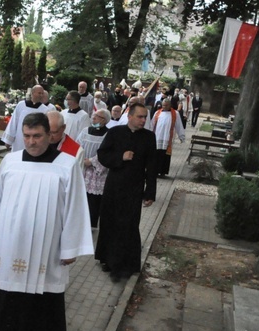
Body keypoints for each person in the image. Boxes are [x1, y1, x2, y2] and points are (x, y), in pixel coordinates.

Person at [0, 113, 93, 331]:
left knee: (42, 295)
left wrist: (70, 246)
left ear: (50, 136)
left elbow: (75, 208)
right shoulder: (10, 162)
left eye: (37, 136)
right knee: (4, 298)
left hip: (45, 249)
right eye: (26, 136)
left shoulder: (67, 165)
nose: (31, 142)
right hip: (9, 247)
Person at [95, 103, 157, 283]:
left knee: (128, 225)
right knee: (109, 221)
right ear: (129, 116)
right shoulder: (115, 133)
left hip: (134, 188)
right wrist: (120, 158)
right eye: (140, 116)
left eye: (145, 117)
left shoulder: (148, 137)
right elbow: (102, 155)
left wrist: (150, 193)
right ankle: (107, 258)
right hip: (114, 186)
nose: (143, 120)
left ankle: (123, 264)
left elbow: (152, 167)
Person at [75, 109, 111, 228]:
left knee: (94, 201)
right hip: (83, 170)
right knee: (81, 197)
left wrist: (91, 161)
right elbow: (77, 145)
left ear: (104, 120)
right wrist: (82, 159)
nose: (93, 118)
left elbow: (108, 152)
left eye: (97, 116)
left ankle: (91, 225)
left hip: (98, 173)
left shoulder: (109, 134)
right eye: (93, 115)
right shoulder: (86, 131)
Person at [1, 85, 51, 152]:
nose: (41, 95)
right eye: (39, 93)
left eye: (42, 93)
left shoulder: (45, 110)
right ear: (32, 93)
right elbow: (13, 122)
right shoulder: (21, 105)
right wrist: (8, 140)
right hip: (19, 140)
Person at [151, 97, 185, 177]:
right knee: (156, 155)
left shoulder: (175, 113)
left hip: (167, 138)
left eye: (166, 105)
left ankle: (163, 172)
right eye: (163, 105)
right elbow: (152, 124)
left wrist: (181, 136)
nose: (164, 107)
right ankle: (155, 171)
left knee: (165, 156)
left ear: (170, 105)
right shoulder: (157, 113)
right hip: (157, 137)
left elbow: (179, 125)